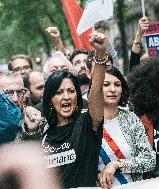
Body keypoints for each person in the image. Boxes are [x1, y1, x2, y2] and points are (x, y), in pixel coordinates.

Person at [41, 31, 106, 188]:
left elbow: (96, 90)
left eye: (71, 91)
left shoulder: (88, 124)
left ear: (78, 96)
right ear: (50, 99)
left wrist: (101, 53)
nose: (66, 97)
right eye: (59, 92)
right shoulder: (43, 134)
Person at [98, 66, 155, 188]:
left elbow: (149, 160)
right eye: (106, 84)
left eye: (117, 85)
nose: (113, 89)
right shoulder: (87, 122)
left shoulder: (131, 119)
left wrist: (117, 164)